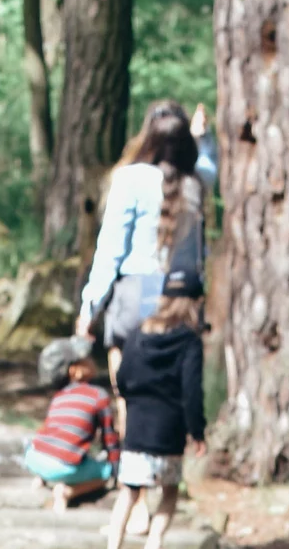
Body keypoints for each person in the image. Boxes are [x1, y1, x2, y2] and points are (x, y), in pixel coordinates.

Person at [78, 99, 219, 358]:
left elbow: (110, 252)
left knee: (127, 367)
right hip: (183, 300)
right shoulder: (196, 182)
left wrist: (89, 310)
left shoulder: (129, 179)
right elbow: (209, 165)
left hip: (137, 295)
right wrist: (204, 137)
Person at [104, 294, 207, 549]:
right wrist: (197, 431)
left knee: (129, 491)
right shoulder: (189, 341)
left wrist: (133, 400)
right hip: (169, 428)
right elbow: (192, 391)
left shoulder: (138, 333)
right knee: (169, 489)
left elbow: (122, 377)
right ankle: (154, 542)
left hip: (137, 425)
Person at [22, 346, 117, 506]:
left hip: (33, 458)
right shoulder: (98, 395)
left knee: (57, 448)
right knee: (106, 472)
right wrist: (115, 468)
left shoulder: (59, 396)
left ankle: (41, 478)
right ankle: (67, 492)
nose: (93, 361)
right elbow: (110, 438)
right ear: (75, 371)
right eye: (88, 359)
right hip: (63, 467)